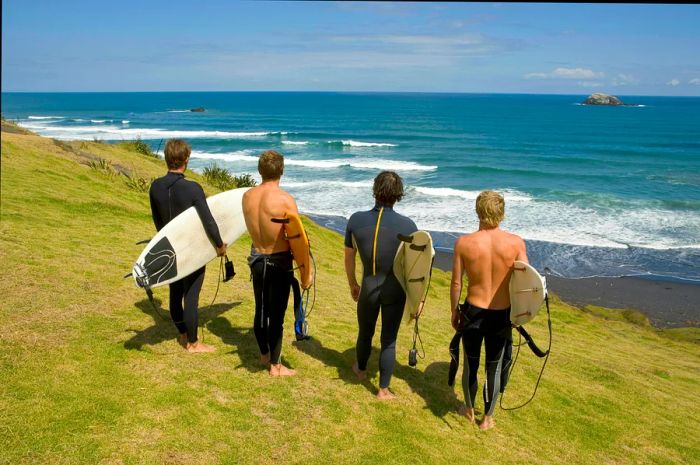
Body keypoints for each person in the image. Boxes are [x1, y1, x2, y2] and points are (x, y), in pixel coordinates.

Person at [450, 190, 528, 430]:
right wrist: (521, 314)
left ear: (478, 211)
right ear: (501, 213)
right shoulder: (515, 243)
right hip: (501, 314)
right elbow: (527, 284)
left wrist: (454, 311)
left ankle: (469, 409)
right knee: (493, 367)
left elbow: (456, 283)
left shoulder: (464, 243)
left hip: (472, 311)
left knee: (470, 363)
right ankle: (487, 419)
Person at [344, 171, 417, 399]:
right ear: (398, 195)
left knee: (365, 332)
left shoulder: (356, 220)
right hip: (395, 290)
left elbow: (349, 257)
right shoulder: (408, 225)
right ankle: (383, 390)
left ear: (375, 190)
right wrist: (417, 300)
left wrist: (353, 284)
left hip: (367, 286)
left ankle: (360, 369)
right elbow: (415, 267)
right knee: (389, 340)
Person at [149, 139, 226, 353]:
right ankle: (193, 343)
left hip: (170, 248)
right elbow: (208, 221)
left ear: (166, 158)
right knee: (191, 296)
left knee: (175, 290)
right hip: (191, 250)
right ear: (186, 160)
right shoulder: (193, 189)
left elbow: (158, 222)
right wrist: (219, 245)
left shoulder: (155, 187)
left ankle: (182, 333)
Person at [242, 150, 306, 377]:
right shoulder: (285, 200)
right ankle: (276, 366)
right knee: (276, 316)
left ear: (260, 171)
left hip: (257, 260)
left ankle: (263, 354)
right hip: (279, 261)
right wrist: (305, 271)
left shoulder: (247, 196)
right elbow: (296, 238)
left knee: (261, 310)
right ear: (282, 170)